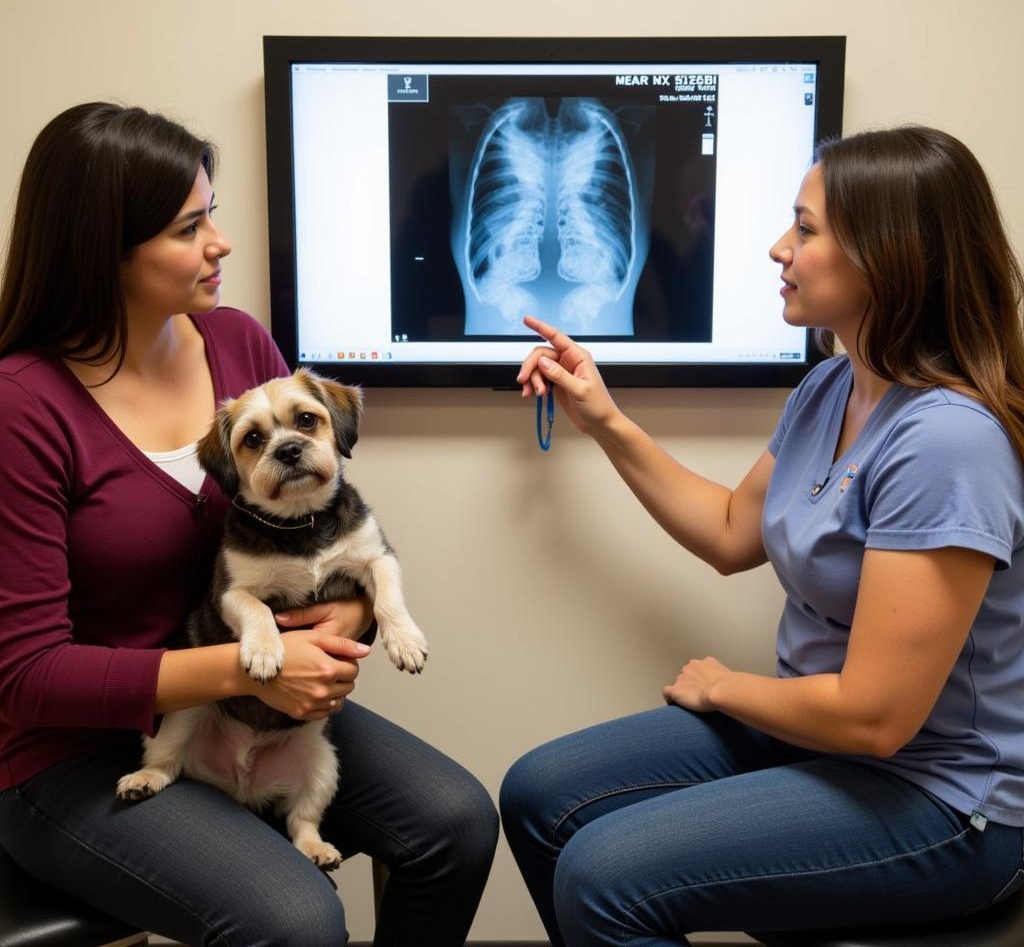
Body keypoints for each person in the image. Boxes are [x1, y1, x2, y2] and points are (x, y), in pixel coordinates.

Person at [501, 126, 1024, 945]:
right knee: (539, 793)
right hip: (819, 739)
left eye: (807, 230)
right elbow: (729, 531)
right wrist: (603, 418)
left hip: (945, 798)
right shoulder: (830, 388)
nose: (780, 248)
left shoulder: (948, 441)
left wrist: (725, 689)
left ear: (889, 256)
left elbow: (875, 719)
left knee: (606, 876)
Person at [0, 102, 497, 947]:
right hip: (76, 755)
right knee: (298, 920)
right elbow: (25, 675)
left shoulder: (235, 343)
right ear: (103, 251)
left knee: (454, 823)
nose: (219, 244)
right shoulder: (22, 408)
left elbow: (323, 522)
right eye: (189, 228)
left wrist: (355, 612)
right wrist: (241, 667)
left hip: (252, 701)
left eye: (212, 217)